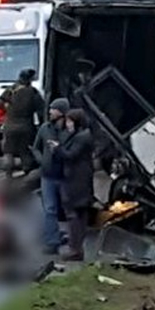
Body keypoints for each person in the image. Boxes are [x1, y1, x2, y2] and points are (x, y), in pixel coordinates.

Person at [54, 108, 95, 262]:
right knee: (80, 214)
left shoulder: (81, 137)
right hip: (80, 178)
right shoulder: (82, 135)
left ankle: (75, 249)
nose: (67, 124)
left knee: (73, 213)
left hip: (76, 179)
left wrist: (57, 149)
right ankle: (77, 247)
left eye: (70, 121)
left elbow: (71, 155)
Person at [32, 98, 70, 255]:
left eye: (53, 109)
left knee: (70, 209)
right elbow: (35, 148)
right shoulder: (44, 129)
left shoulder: (70, 129)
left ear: (61, 112)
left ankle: (73, 240)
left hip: (66, 176)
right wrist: (42, 161)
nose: (49, 112)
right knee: (50, 209)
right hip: (48, 176)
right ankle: (51, 242)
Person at [0, 68, 46, 179]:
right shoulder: (33, 92)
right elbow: (40, 110)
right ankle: (27, 173)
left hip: (9, 125)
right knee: (25, 150)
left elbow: (0, 103)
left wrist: (7, 111)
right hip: (26, 126)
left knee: (8, 151)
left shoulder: (10, 90)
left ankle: (8, 174)